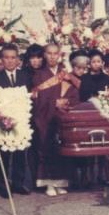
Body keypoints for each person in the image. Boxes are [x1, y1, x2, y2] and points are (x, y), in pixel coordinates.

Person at [0, 43, 33, 196]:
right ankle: (3, 185)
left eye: (13, 58)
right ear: (2, 59)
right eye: (6, 58)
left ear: (18, 60)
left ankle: (18, 183)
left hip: (20, 121)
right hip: (3, 122)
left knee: (20, 153)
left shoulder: (25, 76)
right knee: (4, 155)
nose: (10, 61)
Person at [31, 44, 70, 196]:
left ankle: (60, 182)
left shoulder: (65, 74)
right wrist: (54, 102)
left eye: (55, 53)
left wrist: (66, 102)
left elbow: (72, 92)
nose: (53, 56)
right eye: (49, 53)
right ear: (45, 55)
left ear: (59, 54)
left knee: (61, 149)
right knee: (45, 148)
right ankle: (48, 183)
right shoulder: (38, 75)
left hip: (61, 115)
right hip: (44, 116)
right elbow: (36, 98)